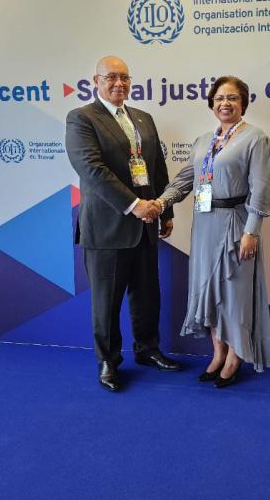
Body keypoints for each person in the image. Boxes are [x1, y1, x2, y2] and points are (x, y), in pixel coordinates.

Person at [65, 55, 182, 392]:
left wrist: (165, 211)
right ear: (96, 81)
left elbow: (156, 167)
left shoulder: (143, 118)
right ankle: (108, 361)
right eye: (111, 77)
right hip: (106, 228)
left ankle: (148, 350)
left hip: (146, 225)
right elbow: (92, 170)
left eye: (125, 77)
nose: (119, 83)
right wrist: (134, 206)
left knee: (147, 295)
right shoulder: (82, 118)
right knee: (107, 303)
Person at [156, 76, 270, 388]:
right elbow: (186, 179)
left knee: (234, 294)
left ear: (243, 104)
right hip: (204, 225)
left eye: (233, 98)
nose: (225, 103)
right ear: (211, 103)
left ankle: (235, 357)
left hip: (236, 225)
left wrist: (252, 231)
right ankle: (218, 352)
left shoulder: (256, 138)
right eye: (220, 98)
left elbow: (262, 188)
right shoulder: (203, 141)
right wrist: (161, 202)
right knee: (207, 290)